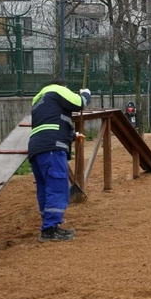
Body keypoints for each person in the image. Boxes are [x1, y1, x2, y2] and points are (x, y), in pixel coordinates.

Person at [27, 78, 91, 242]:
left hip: (36, 148)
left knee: (45, 187)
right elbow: (79, 103)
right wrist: (86, 94)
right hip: (52, 148)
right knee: (57, 186)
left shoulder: (39, 100)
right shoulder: (57, 90)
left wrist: (72, 135)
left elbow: (51, 123)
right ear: (63, 86)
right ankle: (50, 229)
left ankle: (48, 224)